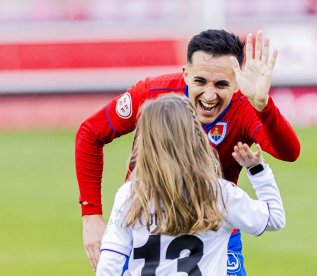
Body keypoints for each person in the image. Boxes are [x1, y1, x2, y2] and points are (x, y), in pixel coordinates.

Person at [76, 29, 301, 274]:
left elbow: (288, 152)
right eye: (200, 81)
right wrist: (91, 215)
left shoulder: (244, 107)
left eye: (221, 84)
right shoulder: (154, 95)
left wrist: (263, 106)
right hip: (145, 220)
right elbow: (90, 133)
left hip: (212, 223)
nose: (209, 95)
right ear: (186, 74)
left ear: (236, 82)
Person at [95, 94, 286, 275]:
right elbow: (275, 218)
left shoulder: (130, 194)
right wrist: (257, 170)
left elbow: (108, 267)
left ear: (145, 143)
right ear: (196, 137)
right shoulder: (219, 193)